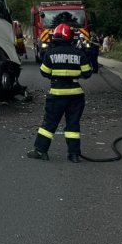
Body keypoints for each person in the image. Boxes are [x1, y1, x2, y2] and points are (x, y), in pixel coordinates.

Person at [27, 23, 93, 163]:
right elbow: (87, 73)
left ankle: (40, 151)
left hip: (57, 94)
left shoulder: (51, 53)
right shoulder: (78, 53)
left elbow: (44, 72)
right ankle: (74, 155)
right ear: (70, 37)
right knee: (73, 125)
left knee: (49, 124)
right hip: (76, 95)